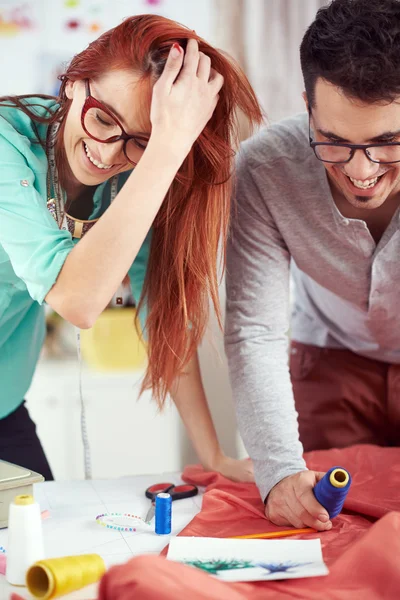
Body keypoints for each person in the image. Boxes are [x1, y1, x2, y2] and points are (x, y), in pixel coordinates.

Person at [0, 15, 262, 481]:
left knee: (40, 540)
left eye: (140, 140)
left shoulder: (130, 182)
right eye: (103, 119)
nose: (108, 153)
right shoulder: (7, 145)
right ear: (74, 83)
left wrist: (214, 456)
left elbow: (164, 317)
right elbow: (76, 301)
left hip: (3, 404)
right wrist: (164, 148)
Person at [225, 0, 400, 531]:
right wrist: (278, 472)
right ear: (308, 107)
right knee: (323, 529)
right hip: (328, 359)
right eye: (336, 142)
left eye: (388, 143)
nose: (362, 171)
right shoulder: (264, 168)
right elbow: (254, 330)